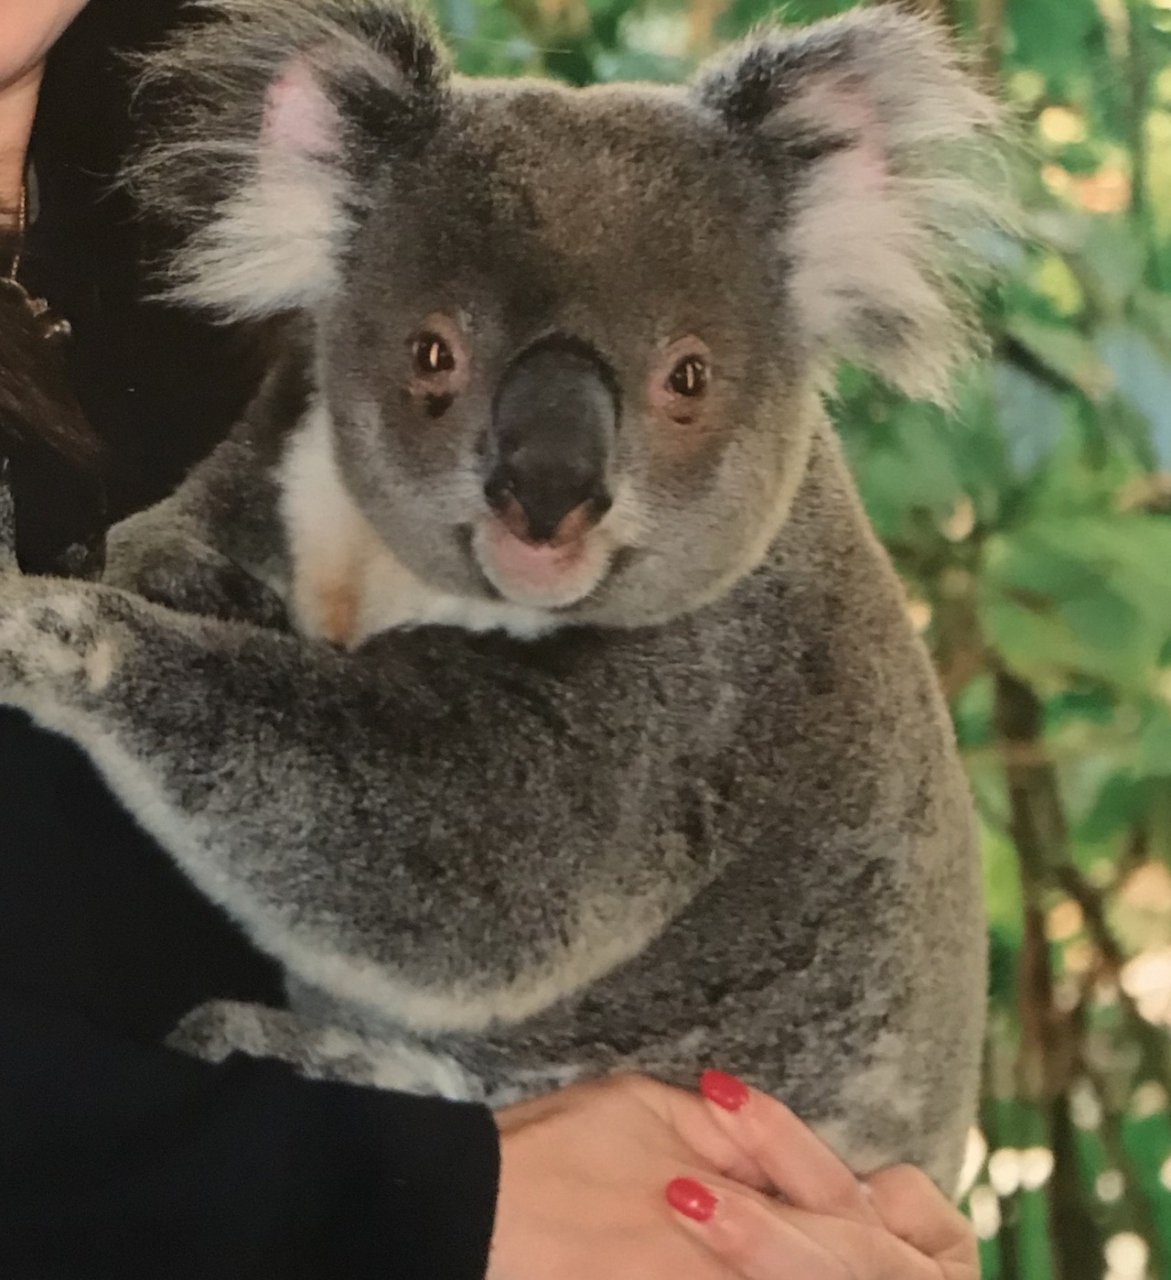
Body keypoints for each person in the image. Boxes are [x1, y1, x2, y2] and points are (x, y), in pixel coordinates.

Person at [0, 2, 980, 1277]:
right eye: (437, 358)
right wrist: (428, 1196)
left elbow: (465, 888)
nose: (548, 478)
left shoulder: (197, 223)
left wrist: (830, 1235)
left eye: (686, 383)